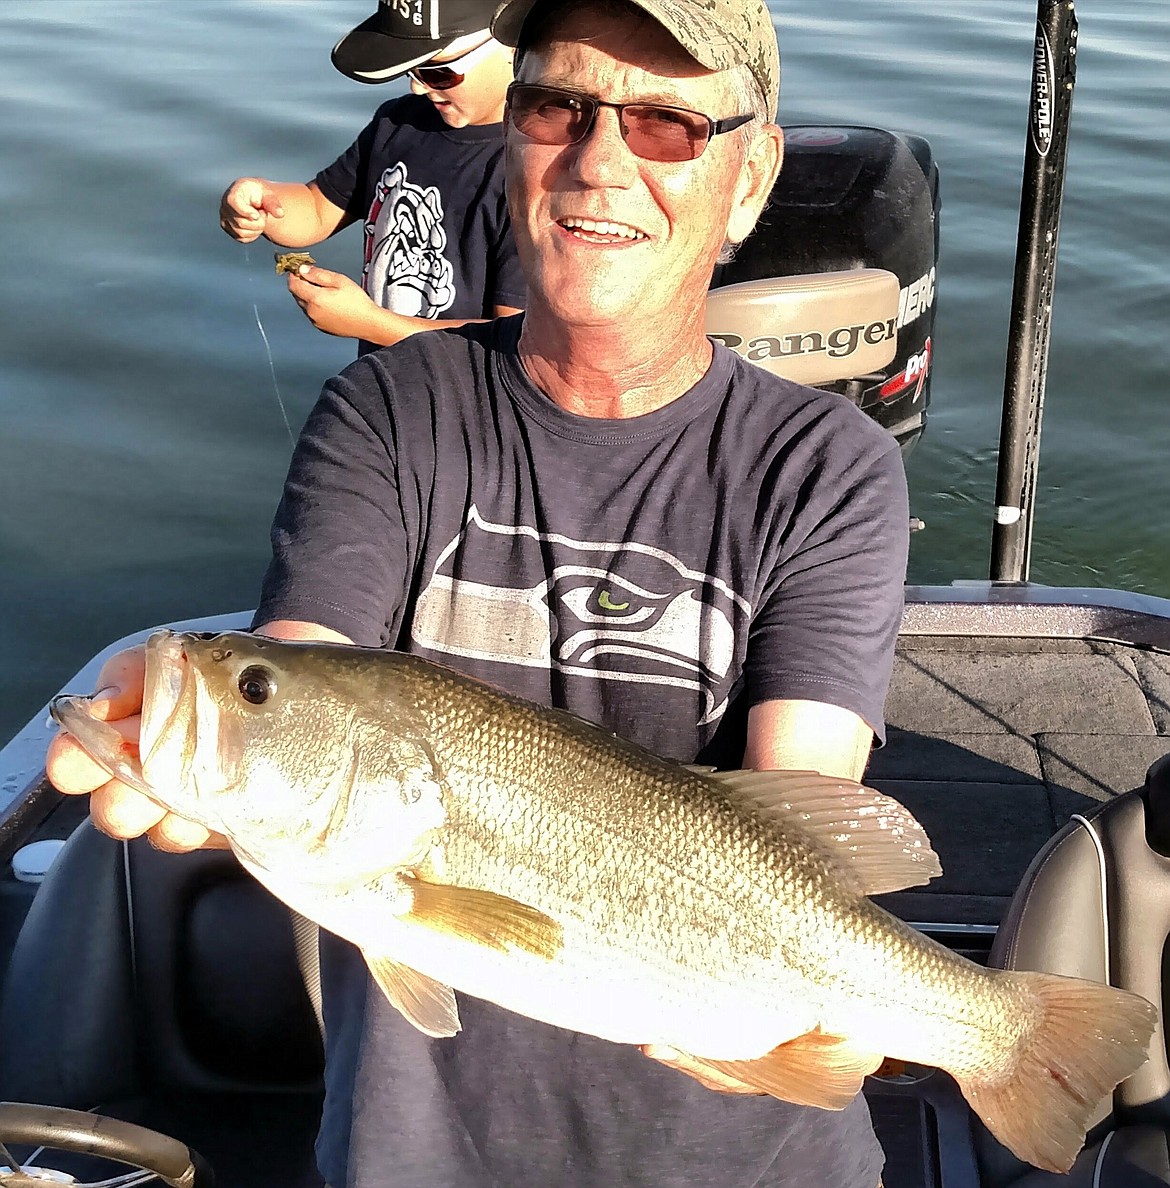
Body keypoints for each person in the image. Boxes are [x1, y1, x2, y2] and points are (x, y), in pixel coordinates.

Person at [48, 0, 909, 1183]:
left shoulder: (828, 466)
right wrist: (208, 717)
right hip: (416, 1154)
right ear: (514, 139)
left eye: (667, 122)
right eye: (559, 106)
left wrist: (818, 1021)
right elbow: (308, 647)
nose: (600, 161)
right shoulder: (388, 411)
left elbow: (803, 802)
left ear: (750, 177)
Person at [219, 0, 525, 355]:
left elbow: (515, 337)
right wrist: (261, 202)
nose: (418, 88)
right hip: (378, 386)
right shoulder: (397, 123)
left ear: (512, 47)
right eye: (409, 70)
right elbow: (318, 209)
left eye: (437, 72)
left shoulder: (533, 171)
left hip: (463, 401)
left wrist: (370, 324)